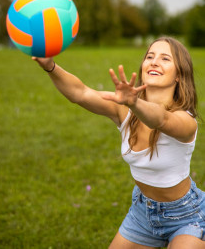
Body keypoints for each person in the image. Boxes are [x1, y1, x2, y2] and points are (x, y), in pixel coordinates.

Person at [32, 36, 205, 249]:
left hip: (187, 214)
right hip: (143, 212)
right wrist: (51, 67)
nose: (154, 61)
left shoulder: (186, 121)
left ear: (179, 75)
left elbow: (161, 119)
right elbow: (81, 93)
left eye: (165, 58)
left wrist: (134, 103)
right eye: (150, 56)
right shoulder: (124, 110)